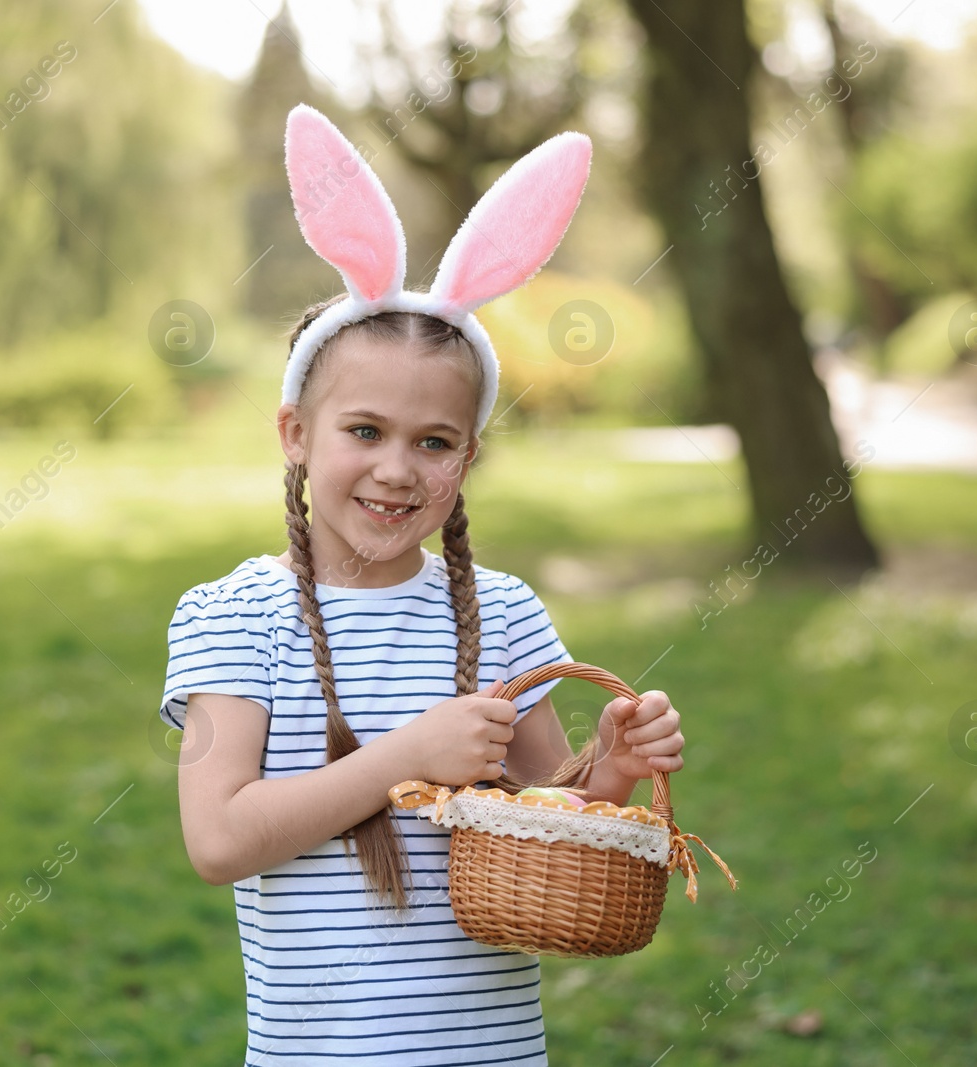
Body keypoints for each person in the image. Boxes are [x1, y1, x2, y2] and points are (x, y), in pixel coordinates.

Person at [159, 104, 687, 1066]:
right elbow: (220, 839)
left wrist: (610, 772)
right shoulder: (233, 617)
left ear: (467, 455)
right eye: (364, 431)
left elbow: (547, 815)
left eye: (433, 442)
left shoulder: (504, 613)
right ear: (295, 435)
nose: (397, 469)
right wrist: (410, 753)